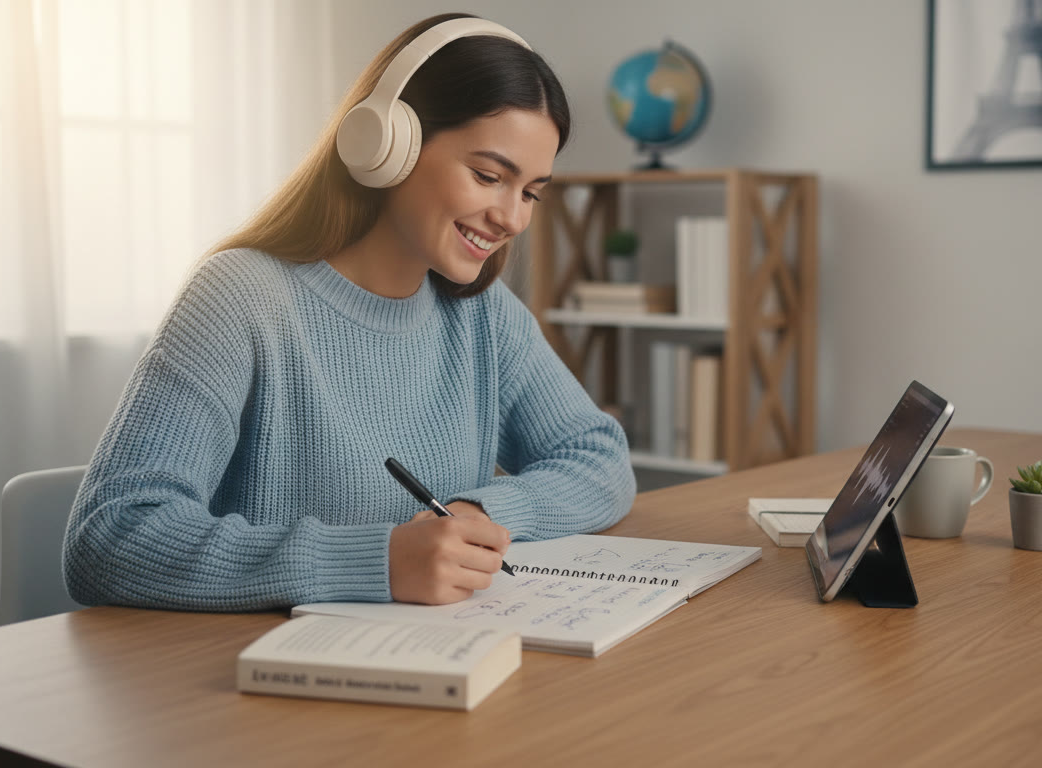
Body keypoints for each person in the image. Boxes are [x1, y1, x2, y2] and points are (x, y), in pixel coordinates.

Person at [62, 13, 635, 610]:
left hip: (437, 662)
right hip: (261, 677)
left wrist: (478, 513)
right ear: (388, 144)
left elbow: (600, 458)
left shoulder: (482, 314)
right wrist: (375, 562)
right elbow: (111, 537)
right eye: (489, 176)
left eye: (531, 193)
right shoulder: (241, 298)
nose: (512, 218)